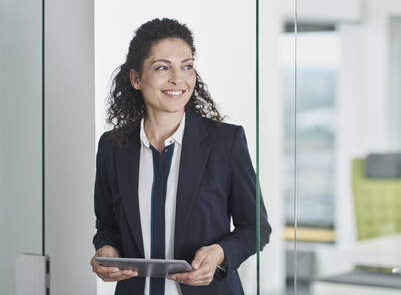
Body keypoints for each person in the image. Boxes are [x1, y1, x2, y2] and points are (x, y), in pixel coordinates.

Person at [90, 18, 271, 295]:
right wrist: (107, 251)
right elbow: (107, 226)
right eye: (163, 67)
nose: (178, 78)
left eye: (187, 66)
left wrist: (220, 253)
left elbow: (256, 227)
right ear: (136, 78)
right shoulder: (113, 147)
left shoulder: (226, 142)